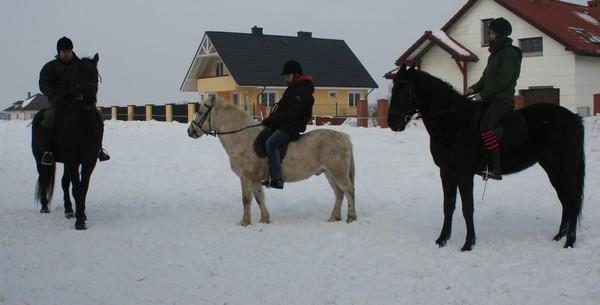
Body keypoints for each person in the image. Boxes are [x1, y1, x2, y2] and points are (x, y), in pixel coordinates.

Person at [38, 36, 110, 165]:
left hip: (77, 99)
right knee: (48, 117)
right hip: (58, 101)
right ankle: (47, 151)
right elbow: (44, 83)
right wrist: (54, 95)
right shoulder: (50, 67)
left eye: (68, 51)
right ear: (59, 52)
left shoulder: (79, 65)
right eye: (64, 51)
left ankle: (98, 148)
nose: (66, 54)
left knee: (97, 116)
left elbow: (87, 79)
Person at [467, 18, 522, 180]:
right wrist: (472, 89)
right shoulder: (494, 55)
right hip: (489, 99)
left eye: (491, 32)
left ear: (500, 35)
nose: (489, 35)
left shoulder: (510, 53)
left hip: (502, 100)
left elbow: (502, 81)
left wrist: (482, 95)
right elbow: (486, 79)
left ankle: (496, 168)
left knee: (486, 125)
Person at [261, 60, 315, 189]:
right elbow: (282, 109)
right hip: (285, 124)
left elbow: (291, 113)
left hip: (292, 126)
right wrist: (270, 119)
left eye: (287, 75)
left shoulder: (302, 91)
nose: (285, 78)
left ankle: (276, 178)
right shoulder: (293, 89)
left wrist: (273, 120)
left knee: (271, 143)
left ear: (295, 75)